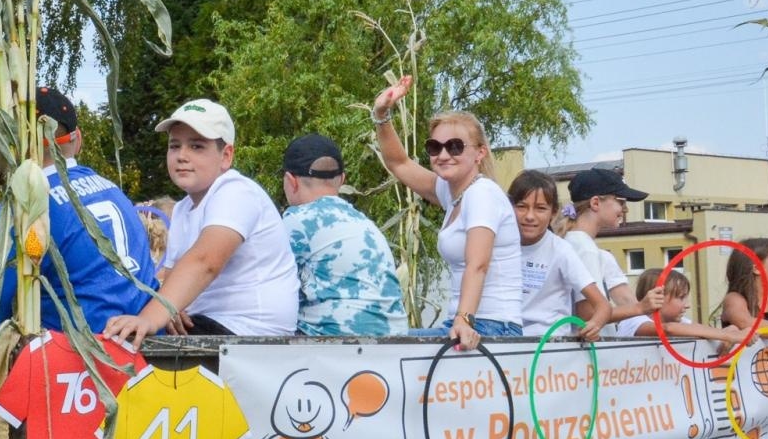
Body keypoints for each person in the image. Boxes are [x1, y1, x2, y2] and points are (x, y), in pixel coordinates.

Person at [0, 87, 157, 335]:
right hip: (142, 346)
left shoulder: (25, 207)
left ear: (14, 145)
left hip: (80, 353)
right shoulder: (114, 191)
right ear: (79, 140)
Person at [104, 99, 298, 343]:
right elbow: (172, 275)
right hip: (213, 323)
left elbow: (205, 261)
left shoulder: (236, 191)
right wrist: (170, 307)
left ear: (226, 156)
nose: (182, 156)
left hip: (250, 331)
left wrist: (151, 317)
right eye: (175, 146)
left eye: (196, 146)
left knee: (130, 340)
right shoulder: (184, 208)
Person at [370, 75, 521, 350]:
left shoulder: (482, 194)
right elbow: (398, 162)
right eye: (434, 147)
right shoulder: (451, 193)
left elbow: (478, 264)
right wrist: (382, 113)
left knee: (383, 346)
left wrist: (464, 319)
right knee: (381, 340)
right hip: (463, 322)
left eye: (455, 146)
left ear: (479, 153)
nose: (443, 154)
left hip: (491, 326)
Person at [280, 132, 407, 336]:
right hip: (393, 343)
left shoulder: (297, 221)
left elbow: (264, 285)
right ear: (341, 180)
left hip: (334, 349)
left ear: (290, 181)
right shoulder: (365, 224)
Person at [508, 169, 609, 340]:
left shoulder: (561, 250)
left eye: (540, 208)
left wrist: (595, 324)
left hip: (549, 346)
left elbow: (602, 305)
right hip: (506, 340)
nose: (530, 216)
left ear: (553, 212)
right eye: (521, 207)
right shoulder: (499, 246)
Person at [562, 166, 663, 332]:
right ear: (595, 203)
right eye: (621, 202)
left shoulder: (577, 243)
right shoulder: (584, 248)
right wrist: (640, 308)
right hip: (589, 352)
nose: (625, 209)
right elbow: (588, 314)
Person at [619, 268, 744, 347]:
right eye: (681, 297)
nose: (687, 305)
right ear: (657, 297)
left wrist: (730, 331)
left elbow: (700, 329)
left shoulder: (679, 322)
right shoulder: (633, 320)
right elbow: (668, 329)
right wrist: (727, 336)